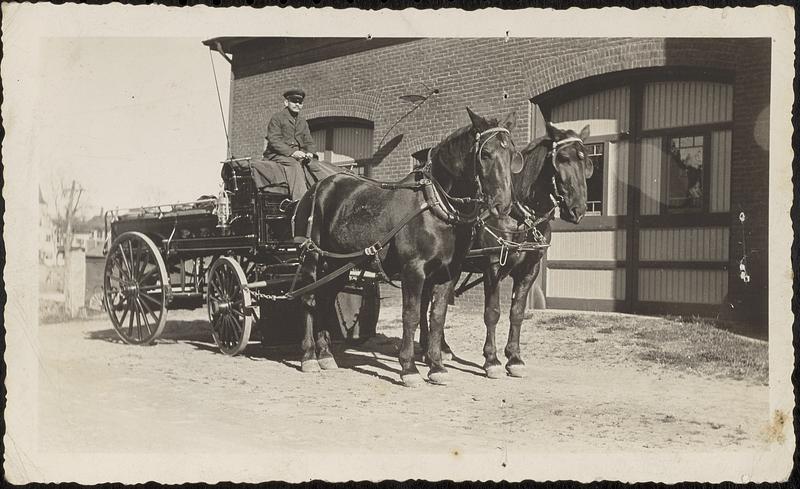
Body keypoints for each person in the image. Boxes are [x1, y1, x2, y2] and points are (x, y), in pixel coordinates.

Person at [252, 88, 339, 201]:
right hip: (278, 155)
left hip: (299, 154)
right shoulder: (277, 118)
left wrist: (310, 153)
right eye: (294, 101)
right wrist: (292, 152)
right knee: (294, 166)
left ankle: (328, 197)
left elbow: (309, 140)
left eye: (300, 102)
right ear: (286, 102)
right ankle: (300, 201)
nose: (297, 104)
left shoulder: (302, 121)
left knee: (315, 165)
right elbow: (274, 140)